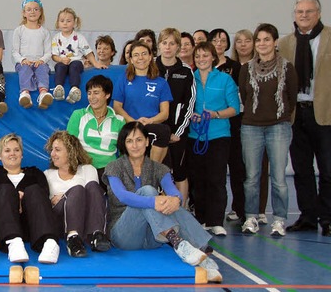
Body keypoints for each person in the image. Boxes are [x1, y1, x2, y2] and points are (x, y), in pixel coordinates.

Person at [103, 122, 221, 282]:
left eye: (139, 140)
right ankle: (179, 243)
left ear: (147, 141)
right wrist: (154, 201)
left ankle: (201, 254)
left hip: (155, 237)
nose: (135, 145)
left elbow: (173, 192)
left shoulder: (159, 168)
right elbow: (123, 196)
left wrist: (175, 199)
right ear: (124, 144)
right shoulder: (114, 167)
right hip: (124, 235)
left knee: (169, 201)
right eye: (129, 141)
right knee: (148, 192)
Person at [278, 0, 331, 237]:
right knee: (301, 169)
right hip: (296, 114)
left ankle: (328, 218)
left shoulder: (329, 38)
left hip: (325, 114)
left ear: (318, 14)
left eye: (309, 12)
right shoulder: (286, 43)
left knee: (328, 169)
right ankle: (307, 216)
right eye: (300, 12)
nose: (304, 16)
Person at [239, 23, 298, 237]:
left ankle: (280, 220)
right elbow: (244, 96)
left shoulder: (287, 68)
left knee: (279, 179)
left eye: (266, 39)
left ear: (275, 42)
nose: (262, 44)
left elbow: (292, 98)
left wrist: (279, 117)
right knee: (252, 177)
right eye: (259, 40)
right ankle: (251, 217)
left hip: (278, 127)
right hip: (251, 128)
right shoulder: (246, 69)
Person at [184, 42, 240, 236]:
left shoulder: (225, 79)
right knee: (198, 179)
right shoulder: (190, 79)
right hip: (194, 136)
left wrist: (215, 114)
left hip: (219, 136)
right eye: (197, 56)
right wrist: (190, 115)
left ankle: (216, 221)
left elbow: (235, 108)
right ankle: (201, 219)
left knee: (216, 179)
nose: (201, 59)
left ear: (213, 57)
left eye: (205, 55)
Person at [0, 134, 60, 264]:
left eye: (16, 150)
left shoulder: (35, 173)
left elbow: (43, 196)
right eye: (7, 150)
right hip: (0, 226)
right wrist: (14, 196)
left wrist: (22, 198)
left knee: (34, 190)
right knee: (4, 189)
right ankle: (13, 241)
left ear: (22, 154)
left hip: (30, 226)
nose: (12, 154)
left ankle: (49, 243)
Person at [43, 131, 110, 258]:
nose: (52, 154)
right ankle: (72, 237)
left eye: (57, 150)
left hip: (85, 219)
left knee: (92, 187)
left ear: (70, 152)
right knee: (78, 189)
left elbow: (93, 198)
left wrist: (64, 195)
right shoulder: (48, 174)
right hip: (61, 221)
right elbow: (49, 204)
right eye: (52, 150)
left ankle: (97, 234)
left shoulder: (88, 169)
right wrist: (71, 194)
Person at [232, 29, 270, 224]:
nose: (243, 44)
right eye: (239, 41)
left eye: (248, 40)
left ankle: (259, 209)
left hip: (257, 121)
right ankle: (239, 208)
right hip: (234, 121)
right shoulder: (230, 67)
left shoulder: (263, 66)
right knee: (239, 166)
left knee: (258, 166)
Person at [113, 40, 173, 163]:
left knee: (163, 131)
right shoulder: (123, 80)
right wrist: (134, 121)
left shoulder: (161, 82)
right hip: (130, 126)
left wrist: (150, 121)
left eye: (144, 53)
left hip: (152, 126)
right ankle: (149, 172)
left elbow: (165, 113)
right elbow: (117, 107)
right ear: (130, 59)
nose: (141, 58)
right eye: (136, 55)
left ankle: (151, 171)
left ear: (151, 57)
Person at [208, 28, 245, 223]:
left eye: (223, 40)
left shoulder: (235, 67)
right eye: (214, 40)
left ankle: (239, 209)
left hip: (232, 126)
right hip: (208, 131)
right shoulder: (200, 71)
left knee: (237, 169)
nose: (219, 43)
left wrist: (220, 113)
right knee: (214, 173)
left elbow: (237, 102)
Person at [155, 28, 196, 204]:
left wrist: (178, 132)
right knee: (156, 171)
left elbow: (189, 104)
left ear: (178, 47)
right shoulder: (151, 67)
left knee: (179, 172)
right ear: (159, 45)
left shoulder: (186, 71)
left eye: (172, 43)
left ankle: (181, 210)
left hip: (177, 133)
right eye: (164, 43)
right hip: (155, 131)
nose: (168, 47)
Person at [67, 75, 125, 183]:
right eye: (89, 93)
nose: (91, 97)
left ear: (107, 95)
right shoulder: (78, 115)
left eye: (96, 92)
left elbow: (124, 153)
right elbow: (69, 145)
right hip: (83, 168)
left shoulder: (119, 121)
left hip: (109, 171)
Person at [51, 7, 106, 104]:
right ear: (58, 23)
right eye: (62, 21)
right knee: (59, 67)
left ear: (74, 23)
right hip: (62, 62)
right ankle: (59, 88)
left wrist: (96, 64)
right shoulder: (56, 38)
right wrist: (61, 59)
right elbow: (54, 56)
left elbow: (88, 52)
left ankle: (74, 88)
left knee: (74, 66)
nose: (65, 23)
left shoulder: (79, 37)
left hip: (76, 62)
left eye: (68, 21)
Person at [12, 0, 53, 110]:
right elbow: (15, 52)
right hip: (24, 62)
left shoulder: (45, 32)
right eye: (29, 10)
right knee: (25, 69)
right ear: (24, 13)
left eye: (36, 9)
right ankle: (25, 93)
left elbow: (48, 52)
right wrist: (22, 60)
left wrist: (42, 60)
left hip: (39, 62)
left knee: (43, 69)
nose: (32, 12)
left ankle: (43, 93)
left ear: (40, 12)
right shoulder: (19, 31)